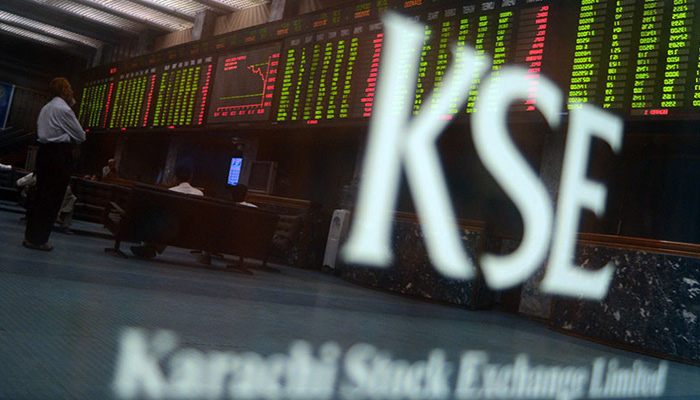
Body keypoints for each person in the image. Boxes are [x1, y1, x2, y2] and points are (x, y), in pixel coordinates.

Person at [23, 77, 85, 251]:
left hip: (43, 154)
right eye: (70, 87)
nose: (72, 91)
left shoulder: (46, 107)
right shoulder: (64, 109)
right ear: (65, 90)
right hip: (59, 156)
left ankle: (30, 236)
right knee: (52, 200)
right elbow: (81, 136)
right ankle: (39, 240)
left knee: (40, 196)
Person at [130, 165, 203, 258]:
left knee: (158, 219)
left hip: (172, 228)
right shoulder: (200, 194)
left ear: (175, 178)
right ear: (191, 178)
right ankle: (151, 247)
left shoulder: (171, 191)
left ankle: (148, 247)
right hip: (191, 228)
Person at [196, 184, 257, 265]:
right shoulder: (254, 209)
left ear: (231, 195)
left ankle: (206, 256)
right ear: (246, 195)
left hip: (221, 239)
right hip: (243, 240)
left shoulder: (222, 208)